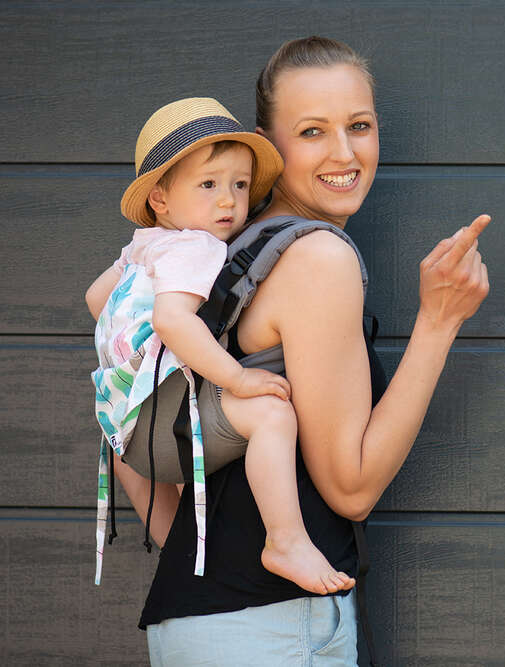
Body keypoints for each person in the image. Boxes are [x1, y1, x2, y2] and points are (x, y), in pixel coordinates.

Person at [107, 37, 491, 665]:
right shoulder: (318, 257)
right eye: (312, 131)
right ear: (269, 144)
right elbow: (351, 487)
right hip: (273, 625)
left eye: (359, 126)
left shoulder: (213, 246)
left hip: (197, 620)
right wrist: (439, 321)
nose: (344, 153)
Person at [86, 97, 356, 596]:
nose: (229, 201)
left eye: (238, 184)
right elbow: (172, 320)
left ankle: (177, 549)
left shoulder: (144, 246)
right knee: (271, 415)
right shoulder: (196, 247)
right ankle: (285, 541)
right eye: (208, 185)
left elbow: (96, 298)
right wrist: (238, 377)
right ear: (161, 201)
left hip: (128, 436)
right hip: (166, 428)